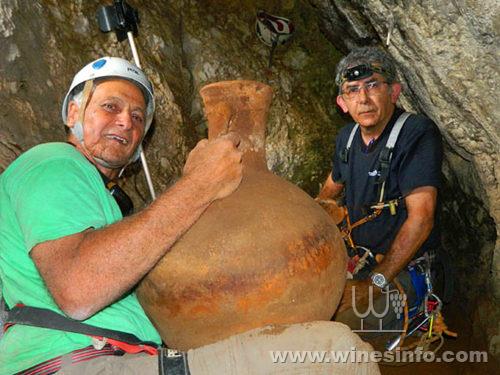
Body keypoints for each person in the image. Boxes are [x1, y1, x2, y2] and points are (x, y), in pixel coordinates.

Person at [0, 57, 380, 375]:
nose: (126, 122)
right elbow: (79, 289)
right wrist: (199, 185)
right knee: (338, 352)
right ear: (72, 112)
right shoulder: (52, 162)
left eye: (137, 116)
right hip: (78, 362)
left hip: (132, 358)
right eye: (110, 107)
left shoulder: (108, 205)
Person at [317, 47, 443, 334]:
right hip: (358, 260)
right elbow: (327, 194)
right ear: (342, 102)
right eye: (352, 90)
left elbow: (421, 219)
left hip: (399, 272)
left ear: (394, 91)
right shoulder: (346, 138)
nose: (363, 98)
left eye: (373, 85)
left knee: (336, 330)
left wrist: (372, 285)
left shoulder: (416, 133)